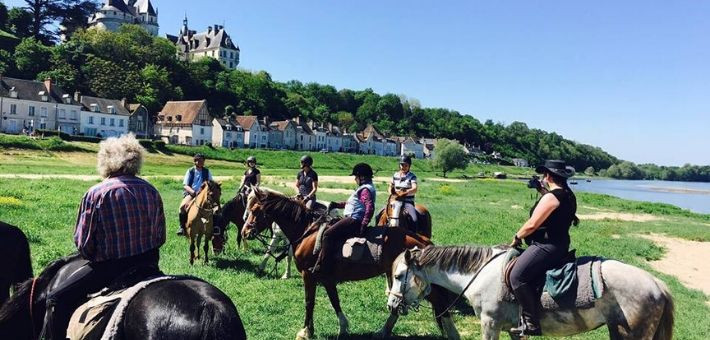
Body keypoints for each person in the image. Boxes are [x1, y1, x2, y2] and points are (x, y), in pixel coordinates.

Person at [41, 134, 166, 340]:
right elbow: (160, 237)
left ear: (107, 160)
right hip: (149, 265)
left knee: (56, 299)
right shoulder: (151, 190)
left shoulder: (97, 193)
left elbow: (84, 245)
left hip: (110, 270)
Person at [508, 160, 577, 337]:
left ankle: (531, 323)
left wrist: (517, 237)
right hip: (560, 244)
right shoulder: (567, 194)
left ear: (548, 176)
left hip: (546, 246)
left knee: (517, 276)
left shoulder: (551, 197)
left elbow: (532, 225)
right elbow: (554, 209)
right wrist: (541, 190)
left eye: (543, 175)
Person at [311, 163, 376, 274]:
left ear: (362, 177)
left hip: (354, 219)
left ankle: (323, 265)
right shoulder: (363, 188)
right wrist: (337, 204)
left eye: (356, 176)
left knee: (327, 234)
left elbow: (369, 207)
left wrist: (364, 224)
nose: (355, 179)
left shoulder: (365, 190)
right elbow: (351, 203)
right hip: (353, 218)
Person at [177, 153, 213, 235]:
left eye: (202, 161)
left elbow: (211, 183)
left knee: (215, 207)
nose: (201, 162)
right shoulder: (190, 171)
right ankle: (182, 227)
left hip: (204, 194)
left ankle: (214, 227)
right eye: (199, 160)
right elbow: (185, 185)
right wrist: (193, 192)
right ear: (195, 161)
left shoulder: (207, 171)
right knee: (182, 207)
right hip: (191, 193)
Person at [388, 155, 418, 225]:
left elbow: (414, 188)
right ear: (399, 165)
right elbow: (390, 186)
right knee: (380, 213)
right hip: (395, 201)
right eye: (402, 165)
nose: (403, 167)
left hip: (407, 202)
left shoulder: (412, 176)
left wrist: (405, 193)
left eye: (406, 165)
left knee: (414, 219)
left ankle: (415, 233)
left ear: (409, 166)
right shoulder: (395, 175)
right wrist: (392, 194)